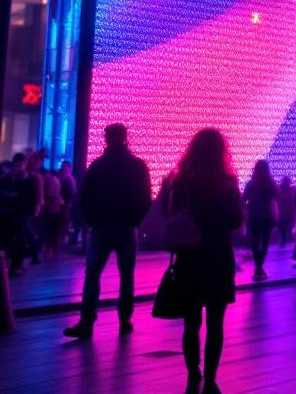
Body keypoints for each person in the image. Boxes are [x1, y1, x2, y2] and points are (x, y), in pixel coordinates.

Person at [163, 129, 243, 394]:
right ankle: (210, 379)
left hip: (190, 256)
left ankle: (192, 373)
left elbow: (171, 215)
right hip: (217, 254)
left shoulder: (181, 181)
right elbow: (236, 221)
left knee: (191, 321)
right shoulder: (228, 182)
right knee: (216, 322)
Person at [64, 124, 152, 339]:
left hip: (101, 226)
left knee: (92, 274)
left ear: (107, 139)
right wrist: (135, 220)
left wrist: (91, 219)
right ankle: (125, 319)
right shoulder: (137, 166)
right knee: (126, 275)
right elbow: (145, 198)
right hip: (126, 227)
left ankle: (87, 321)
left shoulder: (97, 166)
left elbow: (84, 197)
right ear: (125, 138)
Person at [243, 159, 278, 282]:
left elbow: (244, 199)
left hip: (254, 216)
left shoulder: (251, 183)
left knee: (255, 242)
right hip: (267, 216)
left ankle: (258, 267)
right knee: (265, 243)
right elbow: (276, 197)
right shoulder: (270, 183)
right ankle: (259, 266)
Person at [276, 173, 295, 247]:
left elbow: (277, 199)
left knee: (282, 226)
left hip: (281, 211)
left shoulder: (280, 189)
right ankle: (286, 238)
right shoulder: (291, 190)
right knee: (287, 225)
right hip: (288, 211)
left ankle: (283, 239)